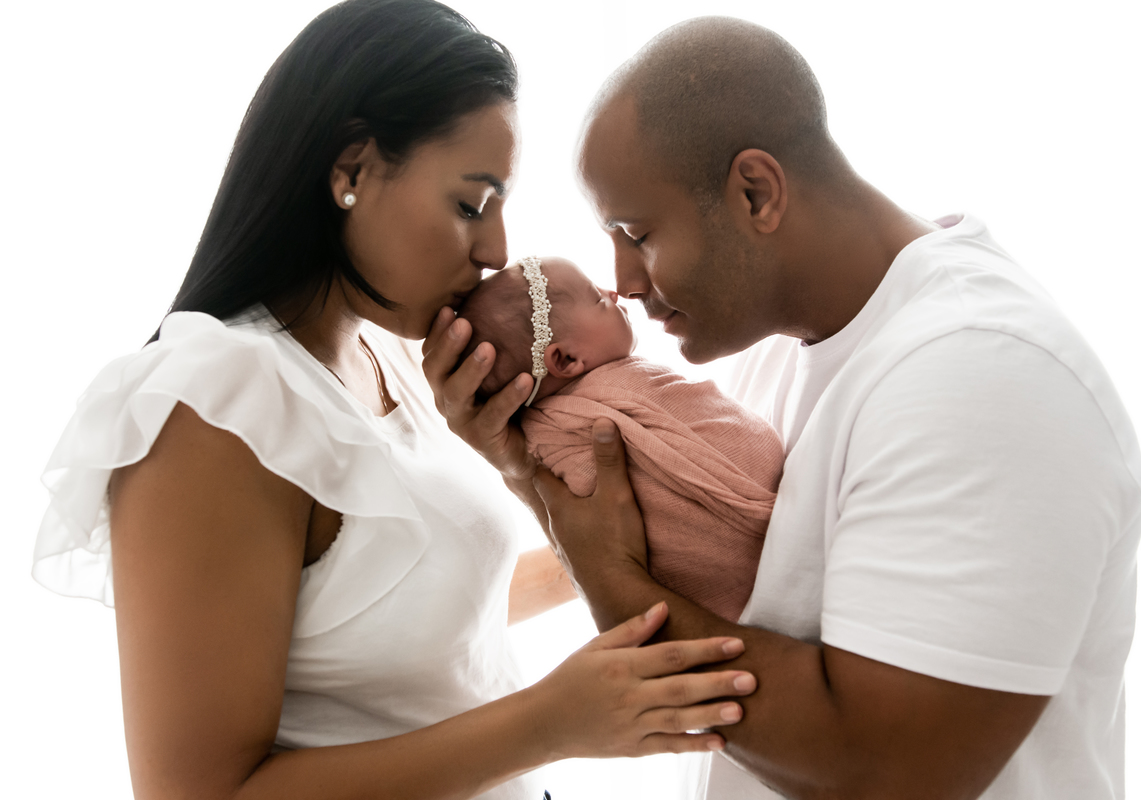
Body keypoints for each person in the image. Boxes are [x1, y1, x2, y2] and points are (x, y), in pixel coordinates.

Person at [31, 3, 761, 799]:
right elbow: (198, 792)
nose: (497, 250)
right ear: (350, 172)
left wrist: (553, 500)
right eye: (470, 205)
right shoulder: (214, 403)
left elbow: (402, 632)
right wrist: (549, 723)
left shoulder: (387, 353)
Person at [424, 15, 1141, 800]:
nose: (624, 279)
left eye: (637, 233)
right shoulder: (774, 349)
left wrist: (609, 579)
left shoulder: (985, 376)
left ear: (755, 192)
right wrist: (521, 463)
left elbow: (882, 769)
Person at [457, 255, 784, 622]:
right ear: (564, 360)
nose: (613, 293)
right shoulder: (618, 390)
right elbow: (734, 434)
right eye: (598, 299)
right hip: (764, 539)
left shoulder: (541, 441)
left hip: (715, 608)